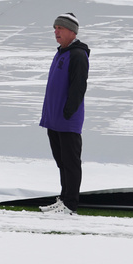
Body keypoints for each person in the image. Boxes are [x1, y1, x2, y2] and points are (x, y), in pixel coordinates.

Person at [39, 13, 90, 216]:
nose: (56, 31)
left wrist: (68, 112)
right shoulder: (61, 52)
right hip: (54, 119)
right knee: (61, 161)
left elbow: (79, 87)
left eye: (60, 28)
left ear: (72, 31)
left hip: (67, 120)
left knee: (70, 162)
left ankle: (70, 204)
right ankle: (64, 198)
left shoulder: (77, 55)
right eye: (55, 28)